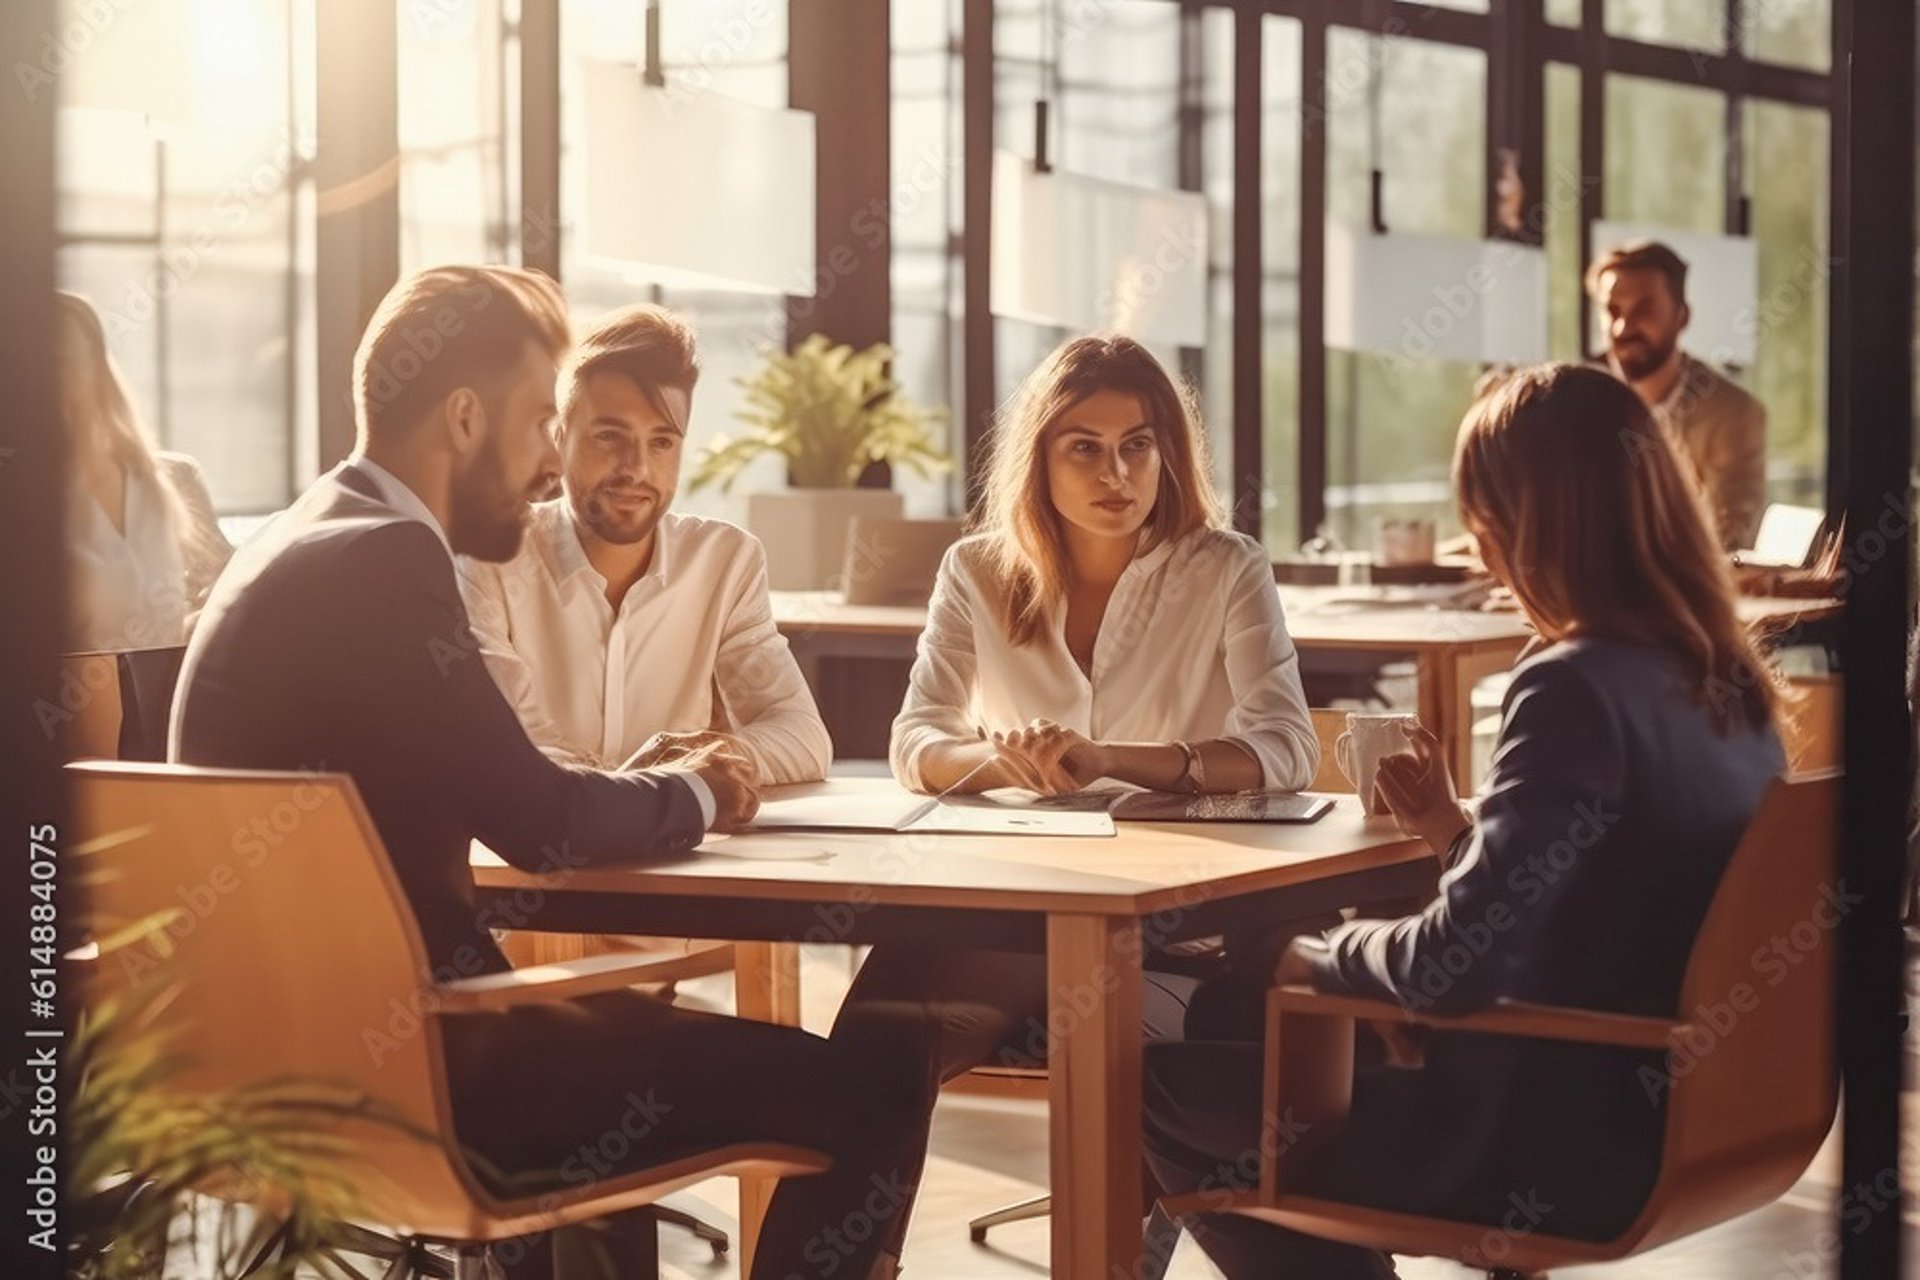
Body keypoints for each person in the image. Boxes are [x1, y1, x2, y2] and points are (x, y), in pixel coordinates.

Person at [170, 265, 934, 1280]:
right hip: (430, 1076)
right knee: (871, 1081)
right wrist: (706, 787)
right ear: (464, 417)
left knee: (613, 1043)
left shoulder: (298, 537)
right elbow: (548, 822)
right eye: (545, 424)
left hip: (282, 1064)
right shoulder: (387, 560)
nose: (547, 467)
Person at [1142, 363, 1787, 1277]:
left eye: (1483, 524)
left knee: (1165, 1081)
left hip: (1544, 1140)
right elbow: (1590, 912)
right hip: (1684, 1114)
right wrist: (1451, 832)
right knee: (1248, 1019)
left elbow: (1454, 963)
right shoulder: (1730, 687)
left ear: (1525, 529)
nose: (1481, 554)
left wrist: (1320, 960)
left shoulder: (1571, 684)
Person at [832, 334, 1320, 1267]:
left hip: (1175, 933)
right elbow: (912, 742)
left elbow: (1288, 750)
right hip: (1020, 917)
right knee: (875, 1041)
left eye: (1138, 444)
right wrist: (993, 759)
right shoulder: (977, 570)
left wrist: (1114, 760)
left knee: (1126, 1065)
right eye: (1084, 448)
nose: (1118, 472)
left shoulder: (1225, 567)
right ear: (1040, 458)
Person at [457, 303, 830, 782]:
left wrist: (707, 751)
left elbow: (803, 737)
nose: (636, 469)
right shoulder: (492, 559)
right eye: (610, 437)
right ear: (560, 438)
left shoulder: (725, 561)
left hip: (673, 853)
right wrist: (664, 786)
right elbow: (503, 752)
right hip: (530, 855)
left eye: (661, 443)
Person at [59, 291, 231, 652]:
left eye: (72, 353)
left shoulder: (174, 480)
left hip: (176, 698)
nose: (62, 371)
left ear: (97, 363)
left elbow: (224, 591)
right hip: (81, 704)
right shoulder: (23, 503)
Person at [1588, 239, 1767, 552]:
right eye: (1612, 310)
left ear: (1682, 316)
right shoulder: (1578, 405)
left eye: (1644, 309)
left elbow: (1727, 541)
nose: (1623, 327)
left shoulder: (1733, 415)